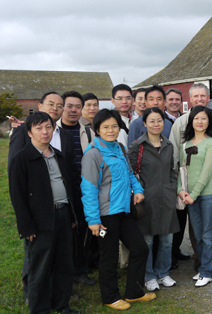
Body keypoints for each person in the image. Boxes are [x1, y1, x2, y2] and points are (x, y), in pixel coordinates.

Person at [9, 112, 82, 314]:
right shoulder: (22, 159)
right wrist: (26, 225)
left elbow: (69, 187)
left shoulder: (59, 155)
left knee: (64, 264)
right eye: (39, 128)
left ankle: (62, 304)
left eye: (48, 127)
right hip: (40, 222)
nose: (45, 132)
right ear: (29, 131)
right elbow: (17, 196)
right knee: (40, 268)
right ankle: (40, 308)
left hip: (64, 216)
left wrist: (73, 217)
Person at [81, 109, 155, 310]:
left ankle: (134, 292)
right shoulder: (93, 154)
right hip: (105, 215)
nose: (111, 130)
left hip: (124, 211)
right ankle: (110, 297)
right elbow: (88, 189)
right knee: (109, 256)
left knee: (140, 249)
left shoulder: (120, 148)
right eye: (105, 127)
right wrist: (93, 220)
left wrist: (138, 190)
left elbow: (131, 174)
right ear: (97, 129)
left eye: (114, 126)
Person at [169, 83, 212, 271]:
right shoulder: (181, 123)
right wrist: (179, 185)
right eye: (196, 96)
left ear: (208, 98)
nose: (199, 99)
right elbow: (176, 154)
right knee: (197, 226)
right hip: (190, 182)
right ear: (190, 99)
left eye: (203, 96)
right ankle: (200, 259)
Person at [127, 108, 180, 292]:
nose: (156, 124)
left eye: (159, 120)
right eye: (152, 121)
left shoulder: (168, 145)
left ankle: (163, 273)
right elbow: (130, 172)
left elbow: (173, 171)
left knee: (167, 240)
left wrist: (172, 190)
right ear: (144, 123)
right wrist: (138, 192)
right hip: (146, 199)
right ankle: (149, 275)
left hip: (166, 198)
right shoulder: (137, 146)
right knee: (147, 241)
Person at [177, 106, 212, 287]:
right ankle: (206, 268)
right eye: (196, 118)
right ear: (191, 121)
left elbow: (206, 171)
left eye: (203, 118)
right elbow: (182, 170)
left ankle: (206, 272)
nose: (200, 122)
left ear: (208, 121)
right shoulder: (185, 144)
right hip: (190, 196)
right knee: (198, 234)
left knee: (209, 234)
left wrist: (193, 195)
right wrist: (181, 191)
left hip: (209, 193)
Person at [58, 91, 97, 286]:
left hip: (83, 187)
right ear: (62, 107)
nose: (74, 110)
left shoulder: (87, 131)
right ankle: (65, 272)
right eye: (69, 106)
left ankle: (81, 269)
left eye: (77, 107)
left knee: (84, 229)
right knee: (65, 232)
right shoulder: (53, 130)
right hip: (62, 189)